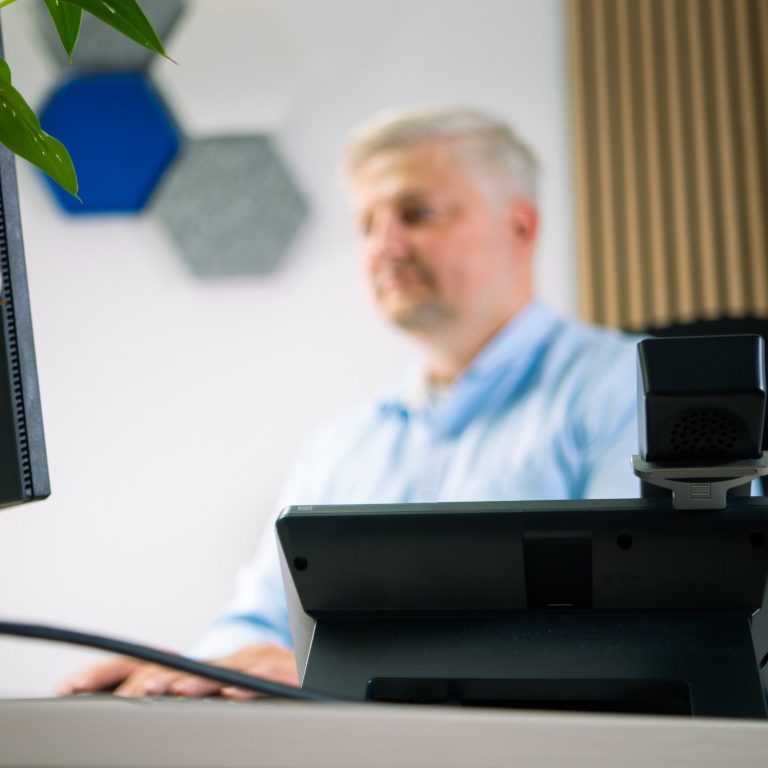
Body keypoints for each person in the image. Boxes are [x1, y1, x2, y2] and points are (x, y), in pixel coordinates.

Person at [57, 106, 641, 698]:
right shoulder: (343, 444)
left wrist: (343, 674)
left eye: (418, 214)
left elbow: (643, 633)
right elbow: (262, 620)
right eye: (366, 223)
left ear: (519, 227)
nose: (383, 246)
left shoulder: (627, 390)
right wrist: (189, 669)